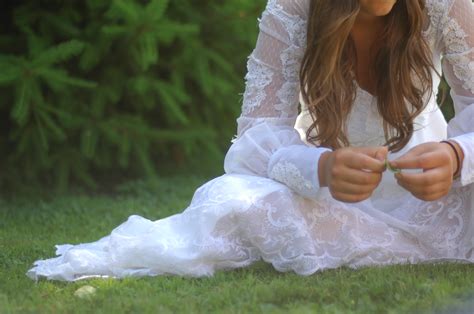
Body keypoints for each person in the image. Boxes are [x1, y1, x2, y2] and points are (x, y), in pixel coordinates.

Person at [28, 0, 474, 281]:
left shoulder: (449, 6)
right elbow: (255, 136)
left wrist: (457, 156)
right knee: (229, 198)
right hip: (325, 201)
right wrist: (318, 168)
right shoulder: (290, 12)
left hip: (429, 200)